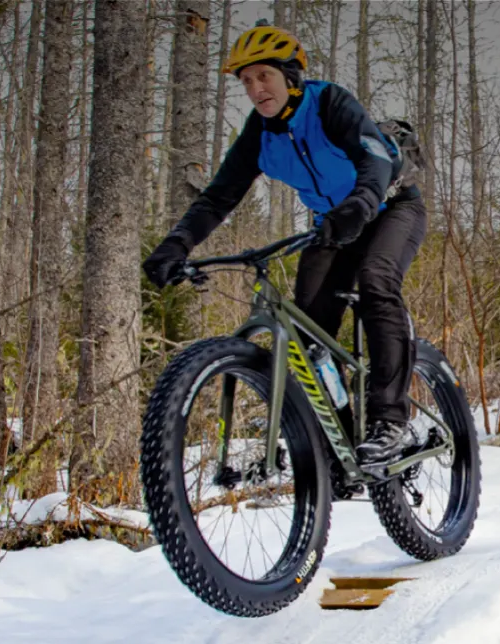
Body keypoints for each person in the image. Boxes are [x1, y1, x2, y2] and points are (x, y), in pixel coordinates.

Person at [143, 24, 424, 466]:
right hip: (331, 226)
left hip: (391, 209)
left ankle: (389, 419)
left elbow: (374, 157)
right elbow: (218, 197)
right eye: (246, 81)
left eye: (263, 76)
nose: (256, 89)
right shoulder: (260, 133)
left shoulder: (329, 103)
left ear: (290, 75)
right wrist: (176, 243)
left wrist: (361, 203)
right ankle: (341, 436)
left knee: (376, 280)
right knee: (311, 326)